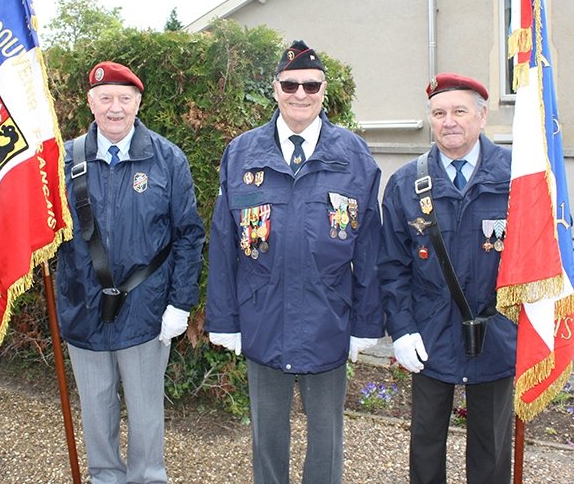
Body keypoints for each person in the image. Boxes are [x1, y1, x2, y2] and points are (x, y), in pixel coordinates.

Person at [205, 40, 385, 484]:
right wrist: (224, 319)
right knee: (267, 435)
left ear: (325, 91)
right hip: (262, 315)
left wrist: (366, 324)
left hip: (329, 317)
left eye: (310, 84)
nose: (300, 93)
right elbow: (225, 240)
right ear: (275, 88)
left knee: (326, 438)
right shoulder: (243, 153)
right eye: (290, 84)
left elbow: (369, 248)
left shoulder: (354, 155)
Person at [56, 60, 205, 484]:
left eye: (124, 98)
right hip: (83, 306)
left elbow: (188, 236)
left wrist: (180, 302)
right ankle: (105, 477)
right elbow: (45, 231)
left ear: (139, 103)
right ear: (91, 103)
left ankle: (148, 478)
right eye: (105, 98)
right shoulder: (64, 160)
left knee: (144, 411)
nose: (115, 108)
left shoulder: (167, 159)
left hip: (146, 310)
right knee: (96, 408)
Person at [378, 73, 517, 484]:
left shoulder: (519, 176)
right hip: (429, 333)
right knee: (424, 445)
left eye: (459, 111)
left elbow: (547, 253)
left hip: (498, 330)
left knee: (491, 451)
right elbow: (392, 266)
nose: (449, 121)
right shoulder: (406, 183)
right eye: (439, 113)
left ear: (481, 115)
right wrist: (401, 329)